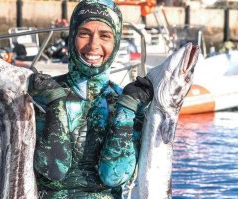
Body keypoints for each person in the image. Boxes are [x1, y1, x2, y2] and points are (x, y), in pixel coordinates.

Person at [27, 0, 153, 198]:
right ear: (72, 37)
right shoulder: (43, 95)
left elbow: (114, 175)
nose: (94, 45)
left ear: (116, 41)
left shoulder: (127, 102)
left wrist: (127, 110)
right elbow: (53, 170)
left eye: (105, 36)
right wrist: (54, 103)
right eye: (84, 33)